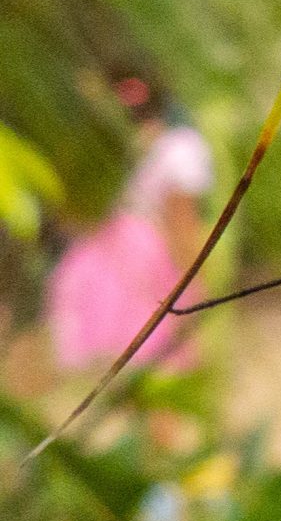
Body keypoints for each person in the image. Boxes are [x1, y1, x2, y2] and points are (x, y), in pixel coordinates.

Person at [46, 74, 215, 374]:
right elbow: (181, 222)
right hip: (147, 259)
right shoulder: (180, 148)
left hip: (103, 254)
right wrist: (196, 284)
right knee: (159, 369)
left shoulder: (114, 150)